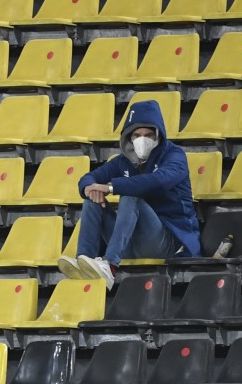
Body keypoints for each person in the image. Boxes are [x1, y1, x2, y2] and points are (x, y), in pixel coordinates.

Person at [57, 99, 201, 289]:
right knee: (92, 200)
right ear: (129, 137)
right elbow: (88, 178)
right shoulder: (122, 161)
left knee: (131, 196)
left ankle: (110, 266)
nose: (143, 139)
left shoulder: (174, 156)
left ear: (159, 134)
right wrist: (89, 188)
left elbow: (159, 181)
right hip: (131, 243)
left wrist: (110, 188)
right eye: (137, 134)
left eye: (149, 134)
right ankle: (85, 261)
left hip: (169, 241)